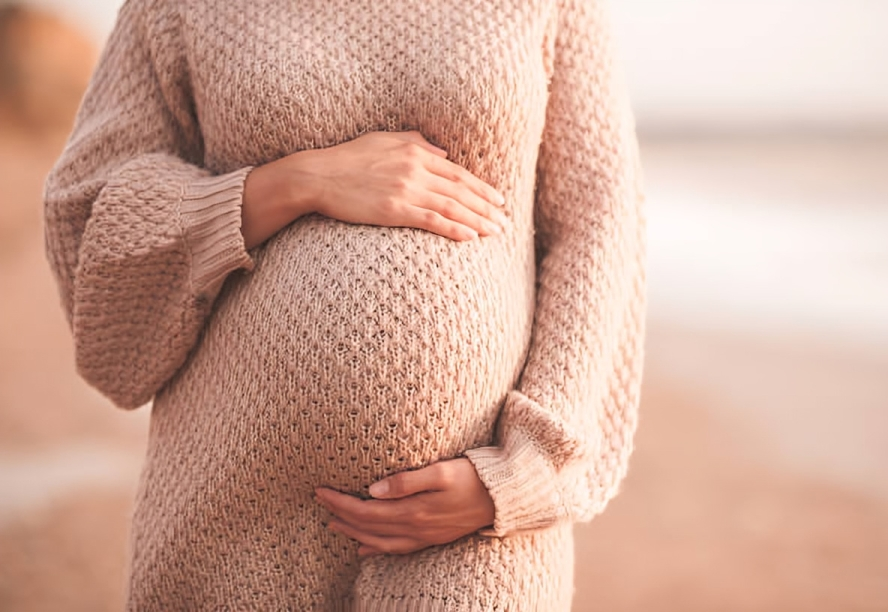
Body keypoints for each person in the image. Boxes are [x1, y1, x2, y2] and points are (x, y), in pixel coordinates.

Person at [43, 0, 646, 609]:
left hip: (473, 525)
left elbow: (598, 219)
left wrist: (524, 473)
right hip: (233, 509)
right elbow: (85, 208)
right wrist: (296, 182)